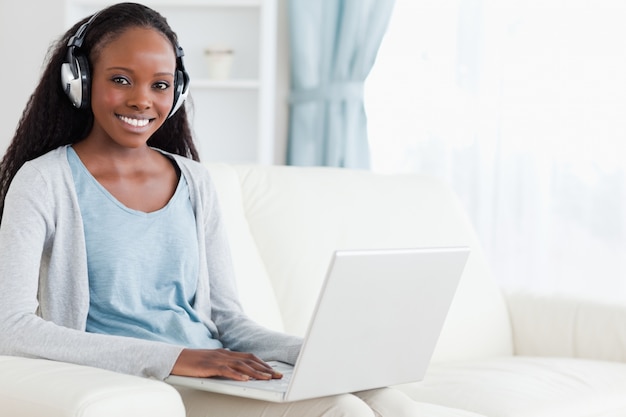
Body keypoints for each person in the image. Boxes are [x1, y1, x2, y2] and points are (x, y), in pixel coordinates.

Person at [0, 3, 424, 416]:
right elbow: (12, 327)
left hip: (209, 369)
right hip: (140, 381)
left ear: (177, 91)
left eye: (160, 85)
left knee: (389, 401)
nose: (142, 101)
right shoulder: (43, 181)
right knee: (342, 410)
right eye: (121, 80)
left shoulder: (194, 182)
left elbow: (229, 321)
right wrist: (177, 357)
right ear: (80, 80)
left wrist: (314, 352)